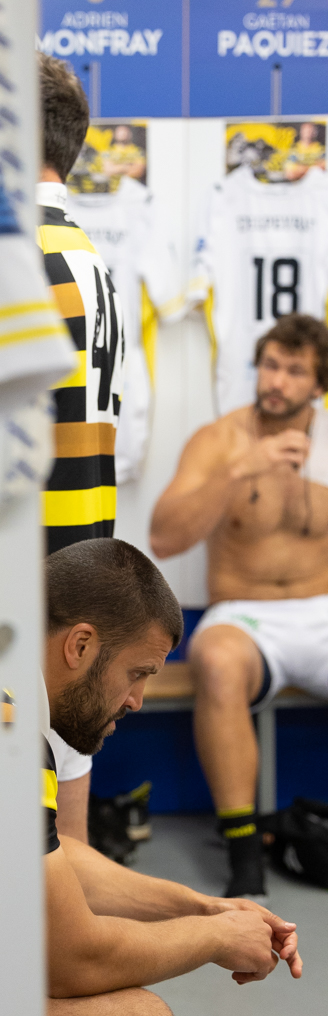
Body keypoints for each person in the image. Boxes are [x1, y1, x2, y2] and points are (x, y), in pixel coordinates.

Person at [42, 539, 302, 1016]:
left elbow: (67, 857)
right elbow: (75, 958)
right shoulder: (3, 730)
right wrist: (218, 942)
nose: (137, 700)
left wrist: (208, 909)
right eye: (138, 672)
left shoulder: (7, 703)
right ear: (80, 646)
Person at [150, 313, 328, 896]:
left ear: (318, 385)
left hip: (320, 608)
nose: (276, 381)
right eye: (270, 365)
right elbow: (163, 537)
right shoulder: (220, 441)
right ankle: (245, 856)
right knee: (219, 663)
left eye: (294, 371)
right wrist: (237, 474)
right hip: (245, 616)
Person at [36, 53, 126, 844]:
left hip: (28, 591)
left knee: (43, 882)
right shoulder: (85, 251)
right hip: (79, 566)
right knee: (68, 859)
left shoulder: (15, 250)